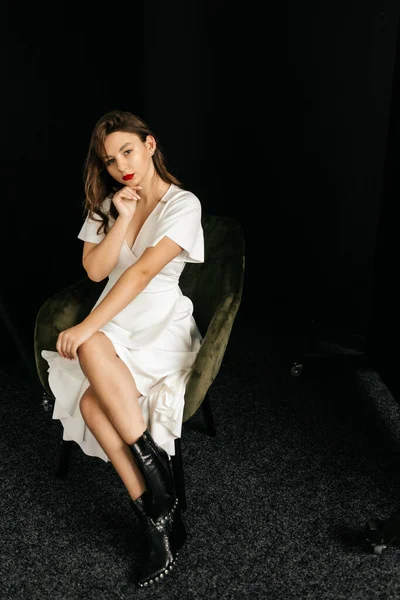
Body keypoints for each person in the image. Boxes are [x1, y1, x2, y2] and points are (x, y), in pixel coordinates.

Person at [41, 109, 204, 587]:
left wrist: (88, 326)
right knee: (92, 402)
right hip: (116, 319)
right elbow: (96, 271)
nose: (121, 166)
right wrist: (122, 217)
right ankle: (157, 511)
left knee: (91, 368)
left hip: (158, 322)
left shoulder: (183, 204)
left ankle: (156, 499)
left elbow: (140, 274)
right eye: (110, 160)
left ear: (150, 145)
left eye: (128, 151)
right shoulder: (110, 201)